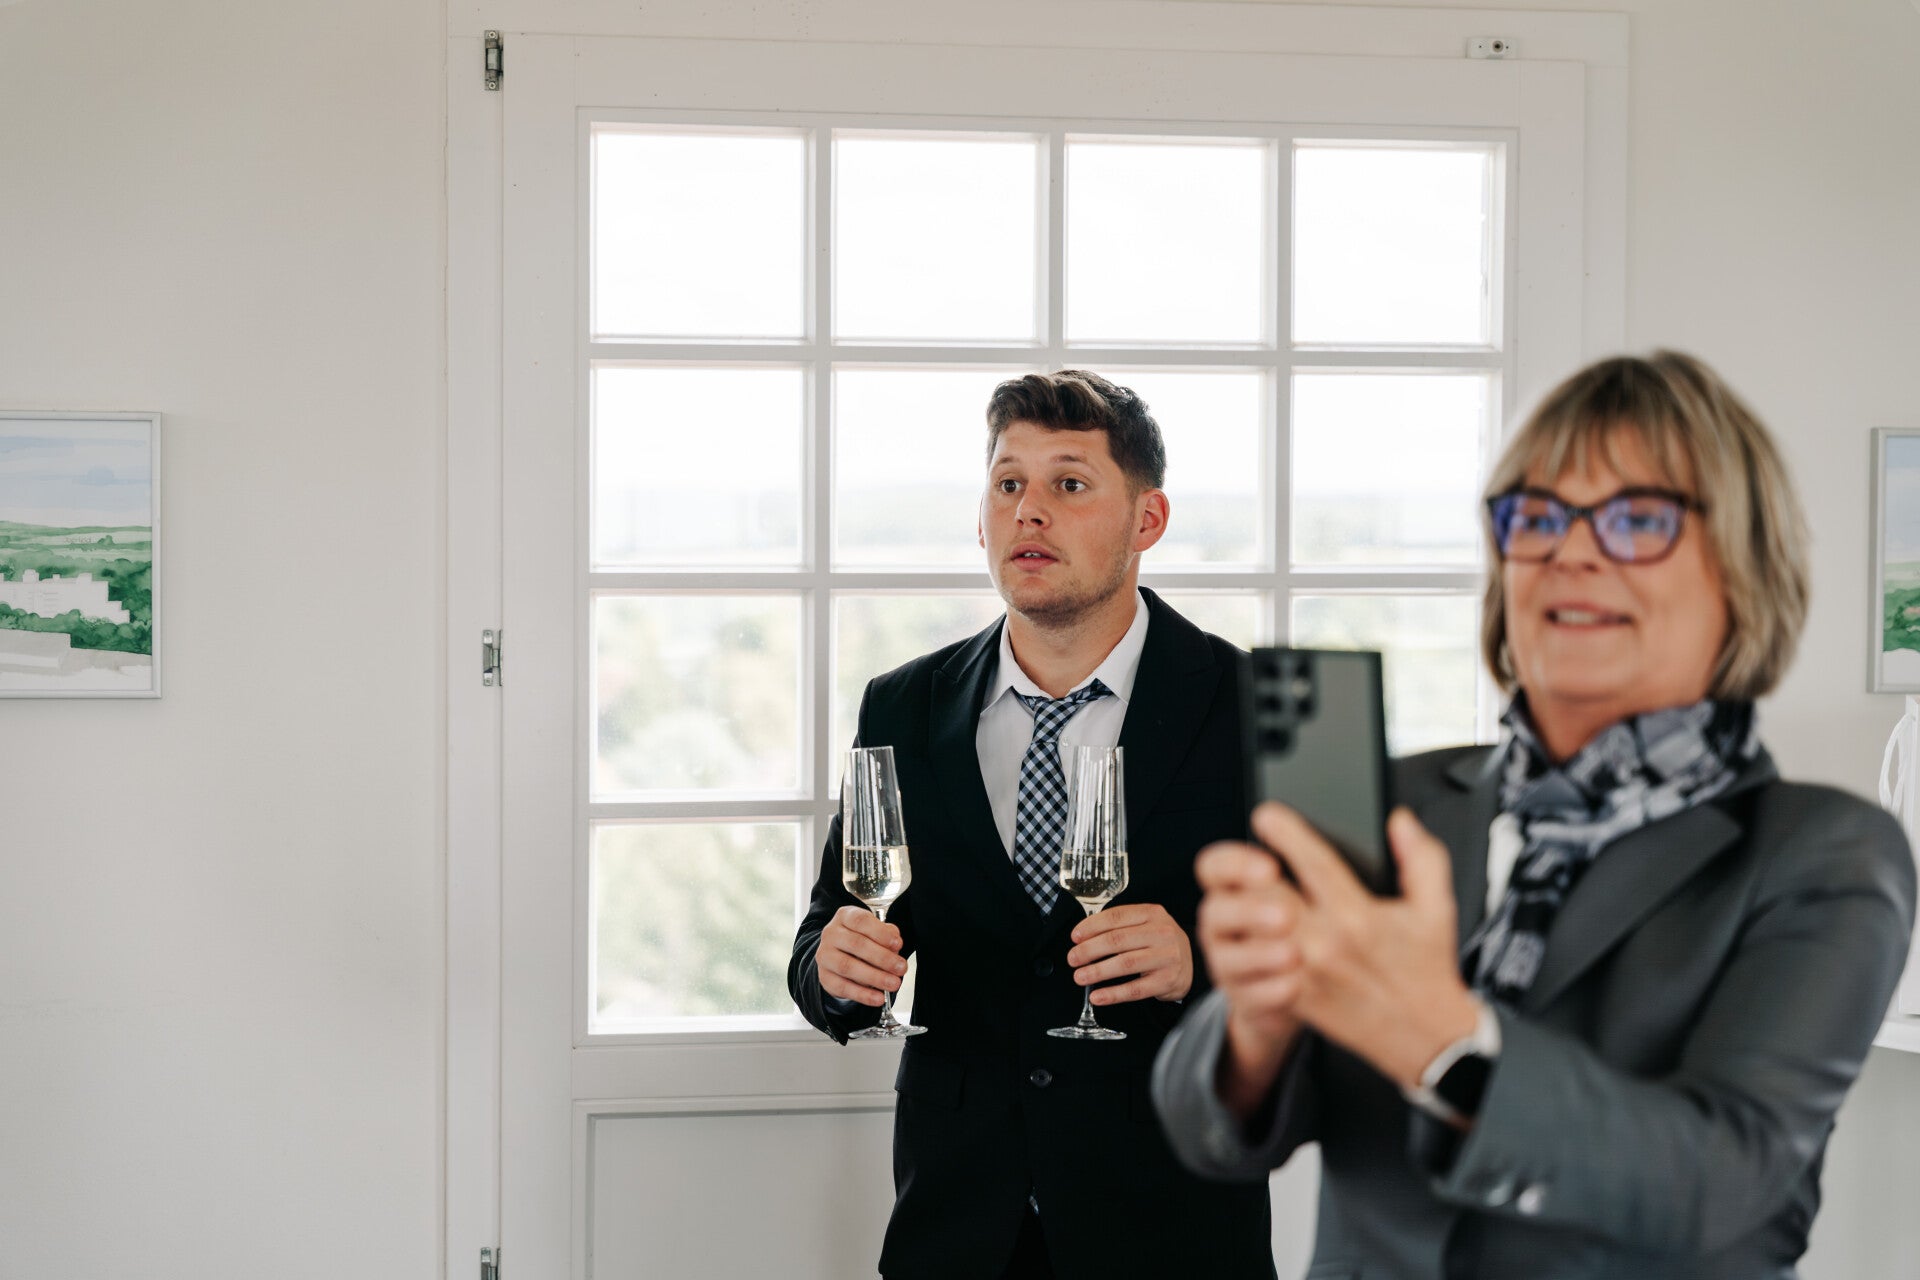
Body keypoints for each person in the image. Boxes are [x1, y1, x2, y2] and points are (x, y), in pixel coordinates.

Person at [1153, 350, 1917, 1279]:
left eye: (1638, 519)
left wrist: (1437, 1036)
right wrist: (1258, 1023)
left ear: (1743, 568)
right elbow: (1206, 1131)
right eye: (1539, 517)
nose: (1572, 552)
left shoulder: (1826, 854)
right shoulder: (1403, 803)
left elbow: (1716, 1182)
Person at [789, 370, 1276, 1279]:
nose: (1030, 511)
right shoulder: (901, 706)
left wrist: (1200, 966)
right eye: (1008, 483)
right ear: (982, 520)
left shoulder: (1256, 706)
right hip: (957, 1235)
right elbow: (828, 936)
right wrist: (836, 970)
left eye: (1070, 483)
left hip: (1174, 1235)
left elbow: (1330, 971)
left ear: (1148, 520)